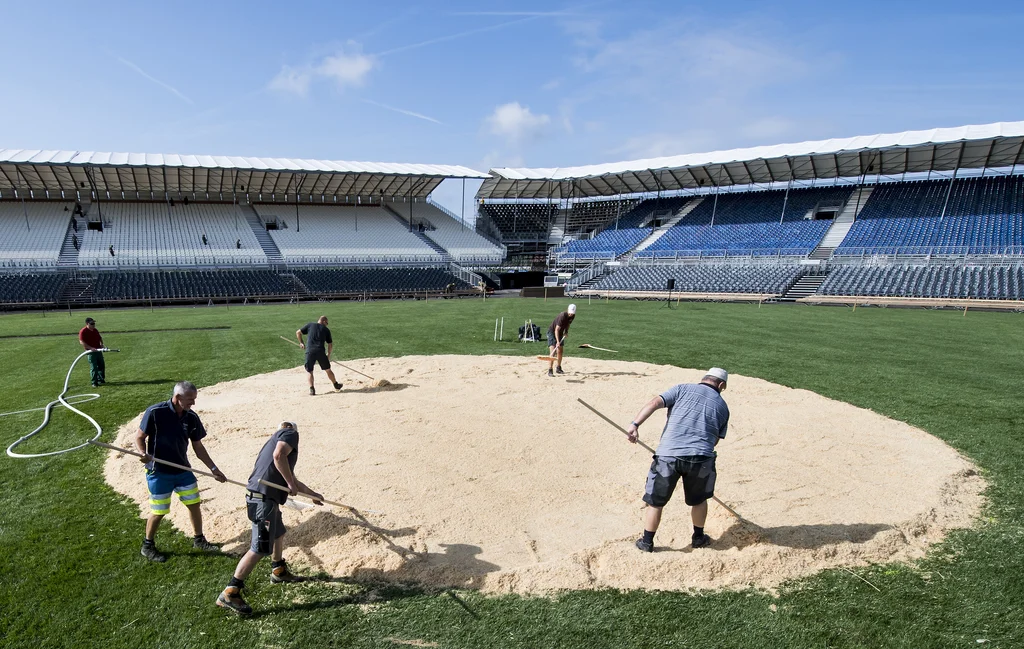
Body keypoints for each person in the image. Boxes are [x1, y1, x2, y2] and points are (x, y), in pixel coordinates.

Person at [216, 422, 324, 615]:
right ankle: (231, 591)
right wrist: (290, 482)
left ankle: (278, 570)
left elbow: (293, 480)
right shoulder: (289, 433)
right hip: (262, 503)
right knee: (259, 548)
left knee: (278, 533)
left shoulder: (274, 448)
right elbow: (279, 456)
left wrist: (312, 494)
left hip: (265, 501)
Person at [627, 368, 730, 552]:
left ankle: (647, 542)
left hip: (668, 456)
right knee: (699, 500)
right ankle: (698, 538)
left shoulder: (682, 389)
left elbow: (654, 403)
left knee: (656, 502)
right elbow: (714, 441)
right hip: (701, 459)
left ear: (704, 379)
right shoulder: (723, 407)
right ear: (721, 385)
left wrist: (635, 425)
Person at [134, 381, 228, 562]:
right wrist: (142, 453)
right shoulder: (155, 412)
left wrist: (214, 469)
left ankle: (199, 540)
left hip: (183, 469)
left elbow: (198, 447)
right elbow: (139, 437)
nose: (193, 403)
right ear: (177, 398)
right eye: (190, 399)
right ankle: (148, 545)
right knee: (159, 511)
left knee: (194, 504)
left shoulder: (191, 417)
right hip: (159, 471)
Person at [296, 316, 342, 395]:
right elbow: (330, 344)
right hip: (320, 351)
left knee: (309, 371)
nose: (327, 325)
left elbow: (298, 332)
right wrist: (328, 354)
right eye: (327, 323)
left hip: (309, 351)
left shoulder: (310, 325)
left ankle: (312, 389)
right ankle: (336, 385)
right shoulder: (326, 330)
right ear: (324, 321)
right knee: (327, 369)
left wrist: (301, 343)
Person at [546, 304, 576, 377]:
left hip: (560, 333)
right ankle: (550, 370)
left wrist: (566, 332)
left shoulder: (572, 316)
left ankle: (558, 368)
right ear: (567, 310)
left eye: (572, 313)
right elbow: (556, 330)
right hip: (552, 332)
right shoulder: (562, 316)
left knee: (560, 351)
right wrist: (557, 341)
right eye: (570, 312)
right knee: (553, 350)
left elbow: (568, 324)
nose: (571, 314)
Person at [78, 317, 106, 387]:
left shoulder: (95, 330)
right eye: (92, 324)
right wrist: (90, 348)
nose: (93, 325)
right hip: (90, 352)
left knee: (101, 365)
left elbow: (100, 338)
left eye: (94, 323)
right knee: (94, 367)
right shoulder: (83, 331)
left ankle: (101, 379)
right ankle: (94, 382)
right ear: (87, 324)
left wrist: (101, 344)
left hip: (98, 350)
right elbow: (81, 342)